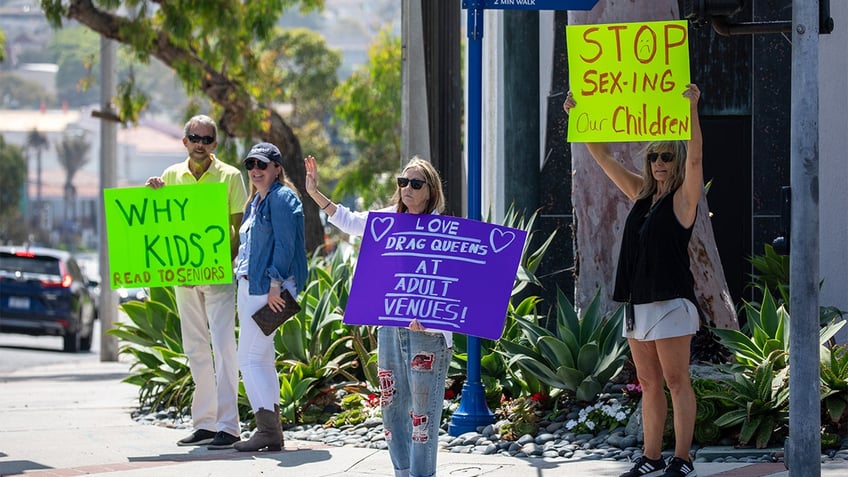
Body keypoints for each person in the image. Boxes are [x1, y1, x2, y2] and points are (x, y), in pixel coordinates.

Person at [563, 84, 702, 477]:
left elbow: (696, 162)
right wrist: (580, 114)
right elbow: (603, 157)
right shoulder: (641, 194)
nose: (659, 162)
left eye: (667, 155)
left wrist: (691, 108)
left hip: (672, 301)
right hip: (638, 303)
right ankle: (652, 456)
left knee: (677, 380)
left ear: (676, 160)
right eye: (654, 155)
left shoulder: (683, 200)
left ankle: (684, 458)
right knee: (647, 381)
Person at [304, 154, 451, 477]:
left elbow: (453, 284)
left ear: (430, 191)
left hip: (428, 333)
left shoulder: (445, 231)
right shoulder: (386, 222)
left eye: (415, 184)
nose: (407, 189)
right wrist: (315, 192)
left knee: (423, 414)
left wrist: (432, 318)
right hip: (390, 328)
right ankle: (403, 472)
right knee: (392, 407)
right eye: (402, 183)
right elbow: (348, 220)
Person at [145, 115, 247, 449]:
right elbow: (161, 225)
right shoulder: (171, 176)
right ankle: (204, 423)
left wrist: (218, 264)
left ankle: (229, 426)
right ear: (185, 140)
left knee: (223, 346)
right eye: (194, 137)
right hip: (183, 277)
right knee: (195, 347)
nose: (200, 143)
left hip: (217, 276)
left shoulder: (231, 176)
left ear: (215, 144)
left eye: (206, 138)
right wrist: (152, 195)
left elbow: (237, 228)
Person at [233, 142, 307, 452]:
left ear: (277, 168)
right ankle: (271, 431)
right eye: (250, 165)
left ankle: (267, 430)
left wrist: (276, 283)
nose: (255, 171)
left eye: (262, 165)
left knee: (247, 360)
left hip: (267, 288)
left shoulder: (281, 198)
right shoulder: (256, 202)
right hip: (252, 285)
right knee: (261, 358)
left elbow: (286, 245)